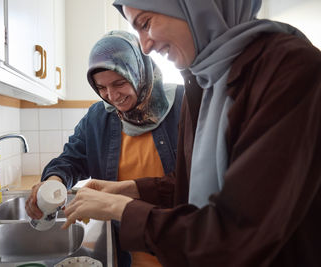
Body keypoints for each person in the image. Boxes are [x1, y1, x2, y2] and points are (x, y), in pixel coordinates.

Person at [62, 1, 321, 266]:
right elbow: (190, 189)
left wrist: (117, 208)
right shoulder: (203, 82)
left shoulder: (288, 69)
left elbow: (242, 230)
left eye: (146, 23)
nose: (145, 46)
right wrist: (130, 189)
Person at [25, 30, 184, 267]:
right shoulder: (99, 117)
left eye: (119, 82)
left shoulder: (182, 105)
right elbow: (72, 159)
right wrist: (55, 181)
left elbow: (195, 181)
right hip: (125, 252)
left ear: (139, 70)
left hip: (177, 244)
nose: (112, 96)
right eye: (101, 87)